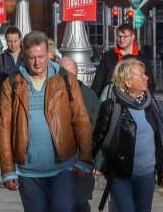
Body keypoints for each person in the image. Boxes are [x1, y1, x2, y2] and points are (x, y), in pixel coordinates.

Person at [0, 30, 94, 211]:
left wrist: (85, 159)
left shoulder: (66, 80)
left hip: (63, 167)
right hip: (28, 172)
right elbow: (4, 128)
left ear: (48, 55)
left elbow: (81, 120)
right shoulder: (11, 84)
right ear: (24, 56)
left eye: (41, 57)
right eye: (32, 57)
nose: (37, 62)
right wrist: (7, 169)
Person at [91, 58, 163, 212]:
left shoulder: (150, 104)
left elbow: (161, 137)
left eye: (145, 74)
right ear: (127, 82)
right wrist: (85, 164)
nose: (146, 77)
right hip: (120, 175)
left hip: (147, 174)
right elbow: (97, 139)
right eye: (141, 75)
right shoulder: (111, 107)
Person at [59, 56, 100, 212]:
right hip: (55, 164)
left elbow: (97, 131)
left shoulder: (88, 96)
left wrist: (97, 161)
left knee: (79, 202)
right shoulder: (50, 95)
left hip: (81, 162)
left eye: (71, 74)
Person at [91, 23, 154, 98]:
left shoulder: (142, 58)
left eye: (125, 37)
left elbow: (150, 82)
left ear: (132, 37)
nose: (121, 39)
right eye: (119, 36)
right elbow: (98, 82)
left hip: (137, 100)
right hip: (113, 99)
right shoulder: (107, 57)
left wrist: (144, 97)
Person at [0, 26, 23, 105]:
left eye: (15, 41)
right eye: (9, 41)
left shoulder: (27, 58)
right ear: (6, 41)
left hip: (24, 103)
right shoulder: (0, 60)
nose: (12, 44)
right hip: (6, 103)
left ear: (20, 39)